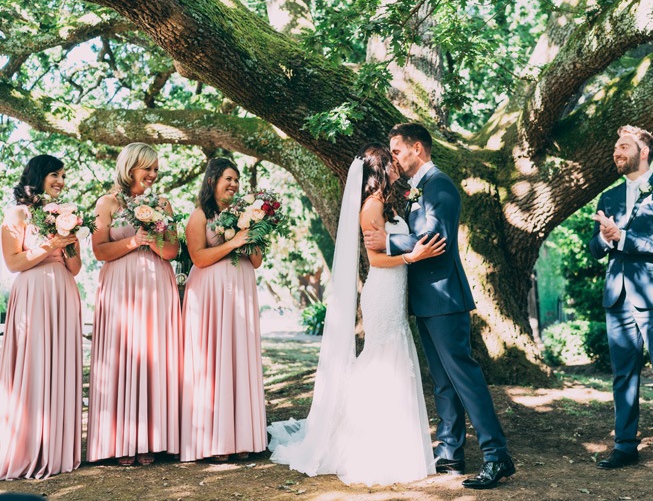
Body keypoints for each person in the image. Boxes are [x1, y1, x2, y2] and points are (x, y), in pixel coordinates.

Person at [268, 144, 444, 486]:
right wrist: (414, 257)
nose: (396, 166)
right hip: (382, 292)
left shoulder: (388, 206)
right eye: (390, 163)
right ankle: (361, 444)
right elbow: (376, 260)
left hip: (396, 292)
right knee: (382, 358)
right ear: (379, 171)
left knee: (392, 358)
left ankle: (390, 442)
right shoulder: (370, 209)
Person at [363, 123, 514, 490]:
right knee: (443, 381)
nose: (394, 158)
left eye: (397, 150)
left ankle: (497, 457)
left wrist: (390, 240)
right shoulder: (416, 190)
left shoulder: (440, 185)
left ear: (418, 148)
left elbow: (437, 238)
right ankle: (450, 452)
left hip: (444, 296)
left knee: (464, 375)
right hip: (425, 299)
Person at [589, 126, 653, 481]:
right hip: (617, 297)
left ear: (643, 151)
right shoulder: (610, 197)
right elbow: (594, 248)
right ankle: (625, 446)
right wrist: (604, 238)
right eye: (615, 146)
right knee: (622, 376)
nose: (616, 151)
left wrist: (625, 237)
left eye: (623, 146)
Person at [86, 142, 181, 466]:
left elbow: (172, 251)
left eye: (156, 169)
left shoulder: (164, 204)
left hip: (156, 284)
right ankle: (121, 440)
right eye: (147, 168)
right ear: (130, 168)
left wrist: (154, 236)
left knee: (155, 356)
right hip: (120, 287)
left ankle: (152, 440)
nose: (153, 174)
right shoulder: (107, 203)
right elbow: (99, 251)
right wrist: (132, 240)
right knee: (122, 355)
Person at [0, 155, 82, 480]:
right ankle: (25, 445)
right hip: (32, 294)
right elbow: (14, 262)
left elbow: (75, 269)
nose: (61, 181)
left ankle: (56, 448)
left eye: (63, 175)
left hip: (62, 292)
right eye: (54, 174)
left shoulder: (67, 215)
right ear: (38, 176)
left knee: (59, 365)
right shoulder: (17, 213)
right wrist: (52, 243)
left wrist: (71, 242)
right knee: (33, 365)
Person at [180, 158, 266, 462]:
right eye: (228, 178)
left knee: (238, 358)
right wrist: (234, 242)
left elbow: (256, 261)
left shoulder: (247, 215)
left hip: (241, 291)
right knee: (213, 361)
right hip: (209, 296)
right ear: (213, 180)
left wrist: (250, 231)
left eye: (237, 180)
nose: (234, 184)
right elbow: (198, 258)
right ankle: (213, 440)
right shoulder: (199, 215)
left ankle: (243, 437)